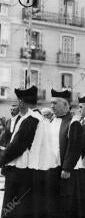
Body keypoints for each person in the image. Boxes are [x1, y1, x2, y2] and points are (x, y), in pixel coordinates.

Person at [0, 86, 42, 217]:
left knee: (12, 209)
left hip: (20, 170)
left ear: (22, 102)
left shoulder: (30, 119)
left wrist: (1, 160)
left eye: (19, 101)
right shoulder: (34, 118)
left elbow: (17, 147)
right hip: (26, 169)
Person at [40, 89, 82, 218]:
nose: (51, 106)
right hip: (51, 168)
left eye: (55, 103)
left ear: (65, 105)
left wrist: (67, 168)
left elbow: (75, 147)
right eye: (51, 103)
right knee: (51, 201)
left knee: (65, 201)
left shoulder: (73, 122)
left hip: (64, 170)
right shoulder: (52, 121)